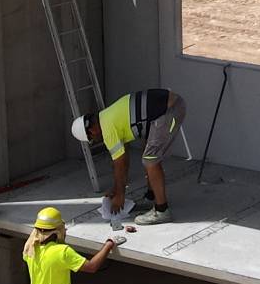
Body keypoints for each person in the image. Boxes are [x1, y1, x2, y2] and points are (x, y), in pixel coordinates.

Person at [68, 88, 186, 225]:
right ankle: (151, 197)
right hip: (168, 107)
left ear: (91, 130)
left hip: (170, 111)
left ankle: (162, 211)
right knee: (148, 153)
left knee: (150, 160)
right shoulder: (107, 116)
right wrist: (117, 189)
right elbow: (124, 157)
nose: (96, 139)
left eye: (92, 138)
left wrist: (120, 195)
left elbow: (120, 163)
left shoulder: (107, 129)